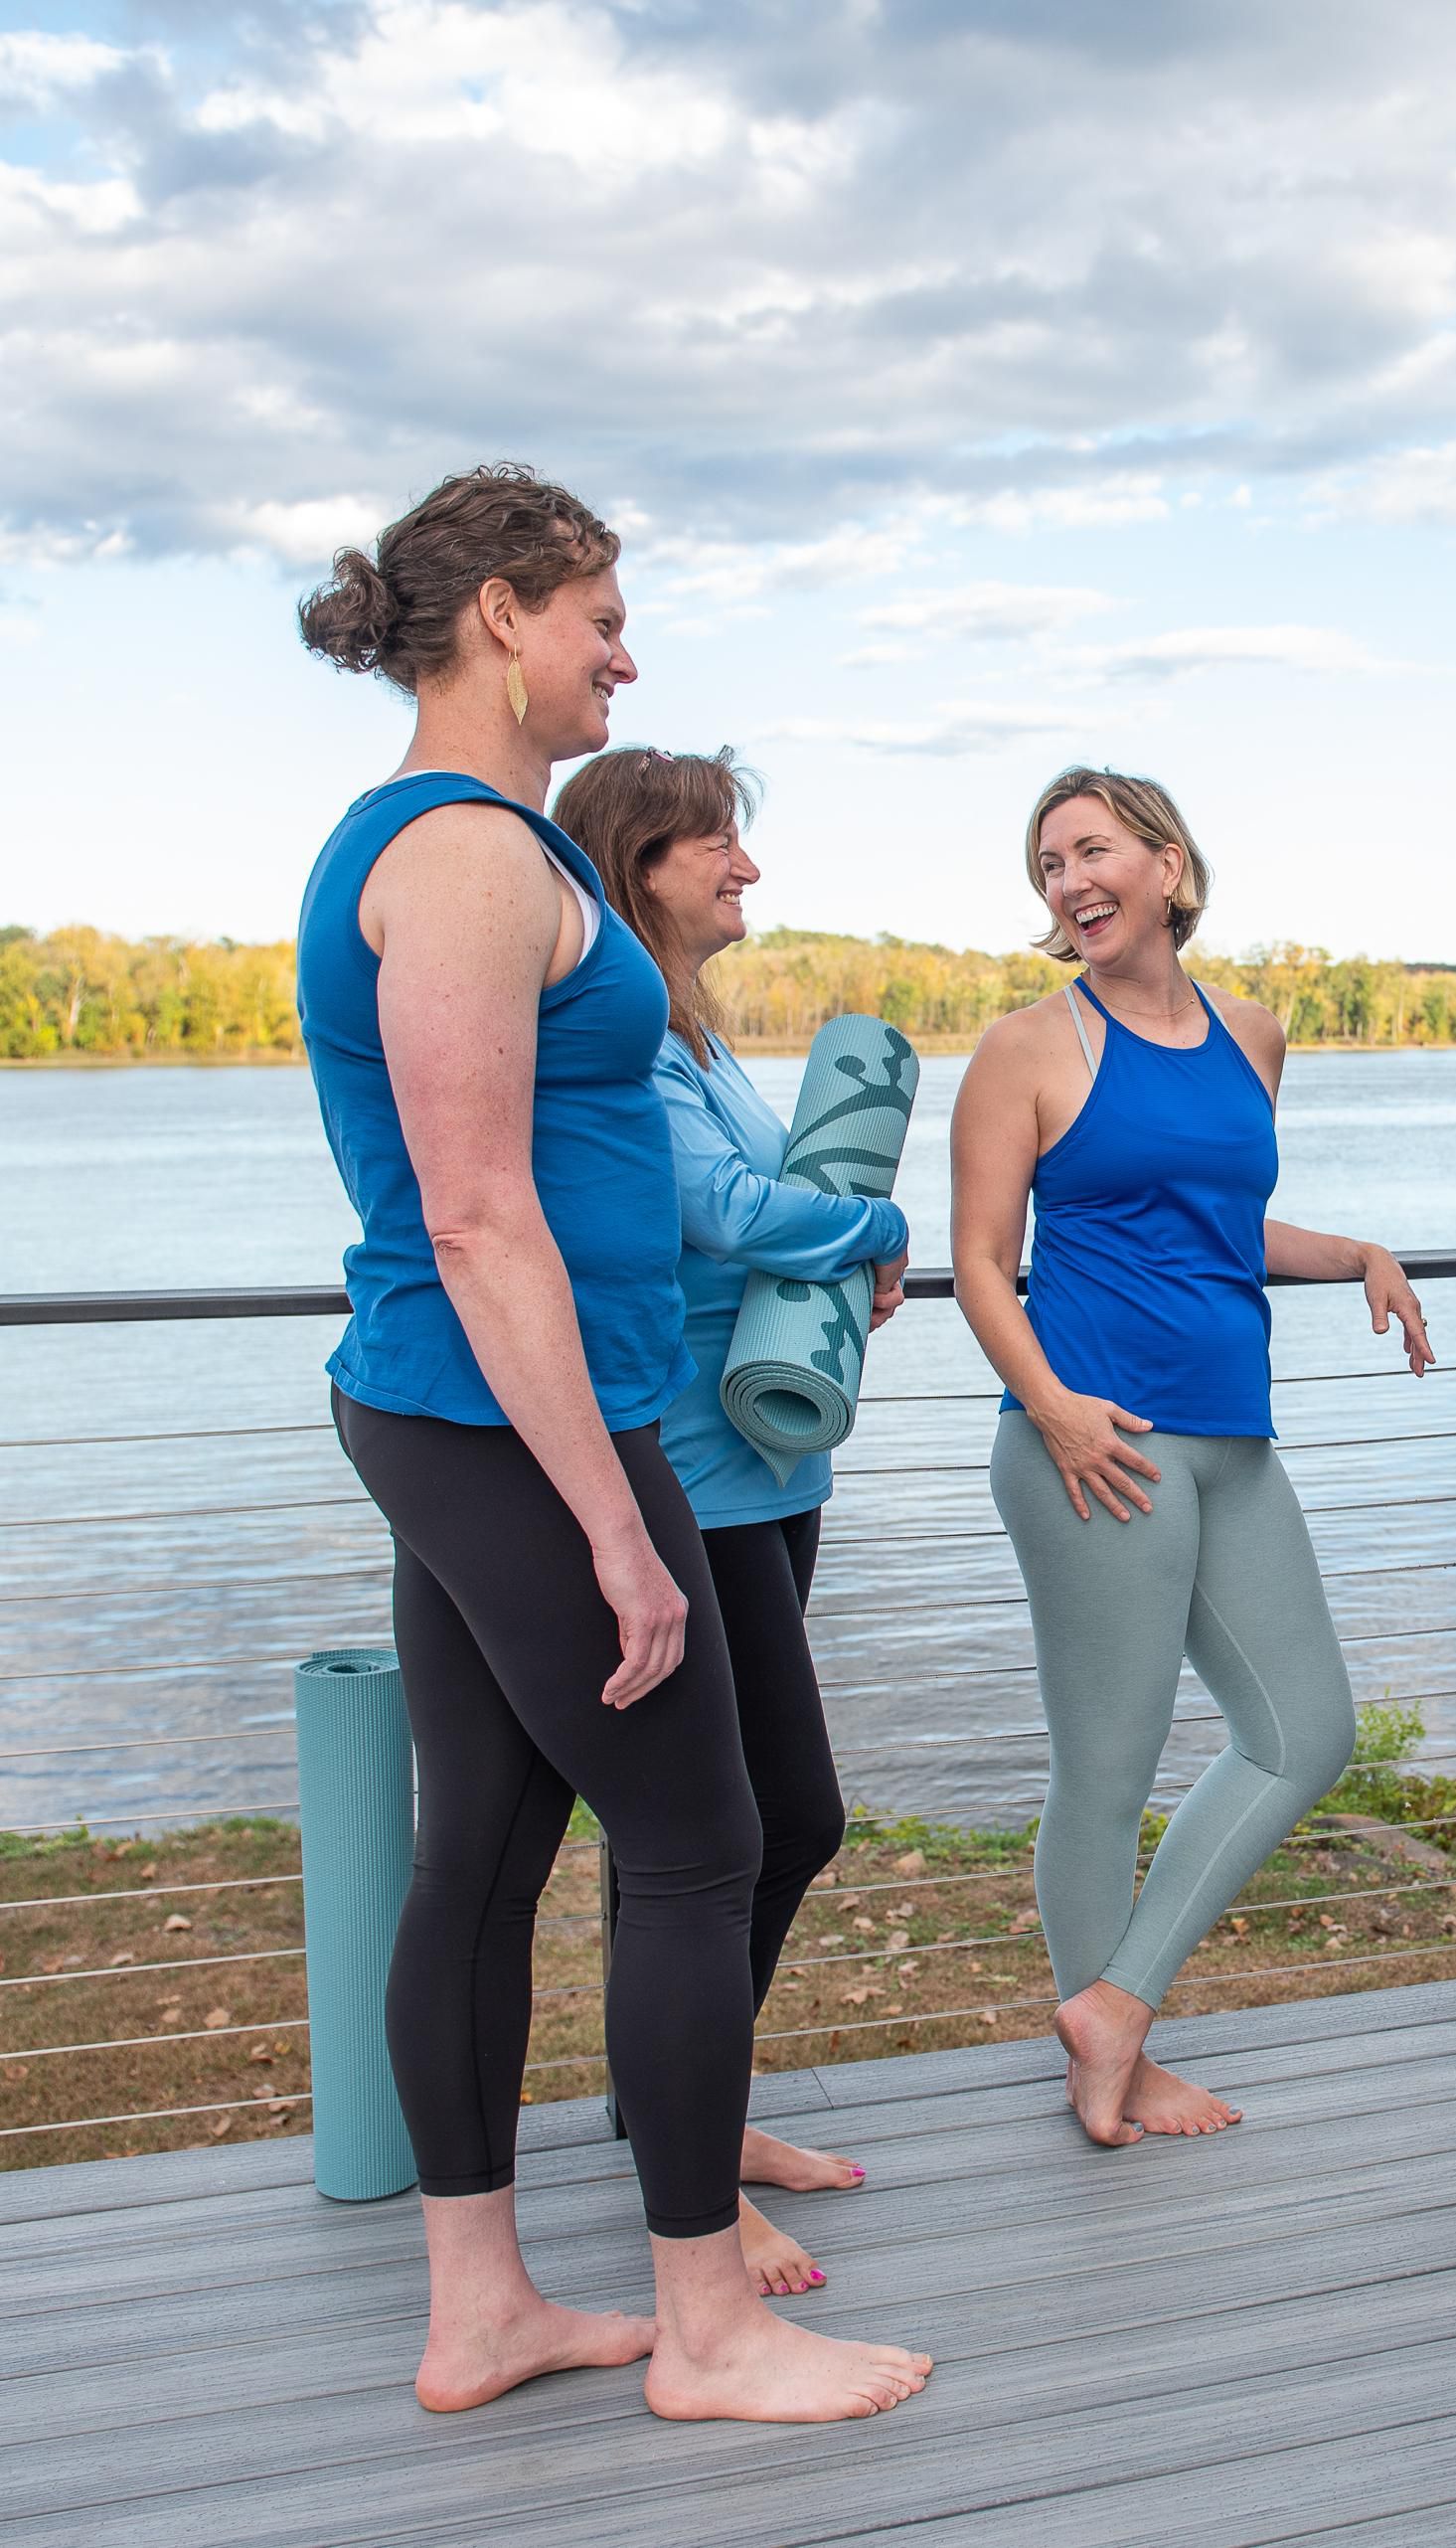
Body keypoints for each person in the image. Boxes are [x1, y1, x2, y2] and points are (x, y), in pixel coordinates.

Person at [296, 465, 929, 2423]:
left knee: (481, 1848)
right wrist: (618, 1523)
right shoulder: (472, 856)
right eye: (598, 617)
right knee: (698, 1839)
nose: (621, 654)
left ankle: (479, 2307)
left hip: (450, 1404)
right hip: (509, 1418)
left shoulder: (453, 844)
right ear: (500, 613)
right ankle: (708, 2330)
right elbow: (482, 1216)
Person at [950, 765, 1433, 2147]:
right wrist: (1049, 1406)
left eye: (1092, 851)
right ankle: (1112, 2050)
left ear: (1166, 864)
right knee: (1108, 1766)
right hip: (1095, 1446)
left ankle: (1116, 2008)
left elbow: (1221, 1224)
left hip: (1232, 1437)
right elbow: (983, 1263)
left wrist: (1356, 1255)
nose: (1069, 883)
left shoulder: (1254, 1033)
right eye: (1049, 865)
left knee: (1305, 1731)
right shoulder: (1027, 1048)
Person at [556, 744, 910, 2300]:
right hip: (687, 1478)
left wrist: (842, 1269)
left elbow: (771, 1226)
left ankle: (697, 2112)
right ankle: (682, 2153)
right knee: (768, 1820)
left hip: (772, 1473)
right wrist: (886, 1226)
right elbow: (734, 1218)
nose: (745, 869)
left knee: (716, 1831)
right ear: (642, 862)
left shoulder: (701, 1035)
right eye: (718, 847)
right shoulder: (631, 1044)